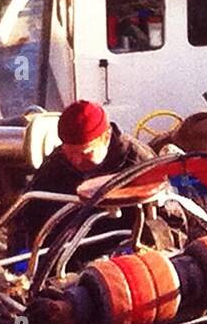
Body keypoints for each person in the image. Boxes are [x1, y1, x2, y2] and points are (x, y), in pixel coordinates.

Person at [10, 99, 153, 261]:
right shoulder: (56, 164)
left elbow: (167, 223)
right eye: (70, 153)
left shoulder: (139, 162)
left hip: (122, 262)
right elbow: (25, 217)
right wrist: (20, 261)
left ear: (106, 137)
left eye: (86, 153)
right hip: (63, 263)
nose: (77, 161)